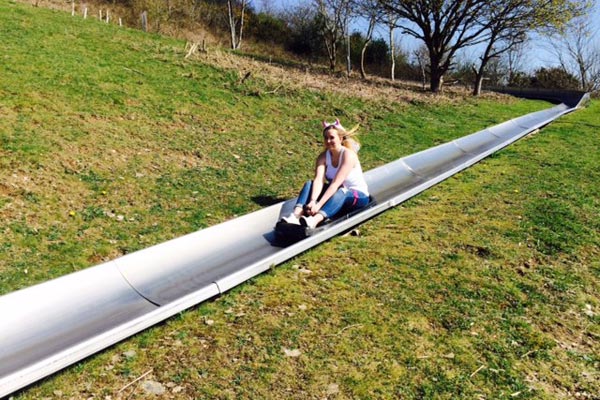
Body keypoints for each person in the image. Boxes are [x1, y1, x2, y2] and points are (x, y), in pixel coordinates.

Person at [281, 119, 370, 229]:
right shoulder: (323, 157)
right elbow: (319, 180)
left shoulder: (348, 155)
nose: (328, 141)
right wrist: (313, 201)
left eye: (332, 138)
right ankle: (295, 215)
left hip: (358, 196)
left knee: (343, 191)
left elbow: (336, 184)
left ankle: (315, 220)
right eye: (326, 138)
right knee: (310, 184)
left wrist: (318, 205)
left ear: (340, 139)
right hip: (336, 193)